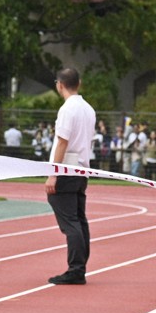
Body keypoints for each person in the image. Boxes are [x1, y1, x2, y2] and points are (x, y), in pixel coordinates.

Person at [46, 68, 96, 286]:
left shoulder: (68, 109)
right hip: (81, 168)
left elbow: (62, 142)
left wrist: (53, 174)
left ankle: (76, 269)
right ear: (79, 83)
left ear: (59, 85)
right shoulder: (88, 109)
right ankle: (80, 266)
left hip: (66, 168)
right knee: (79, 219)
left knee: (71, 222)